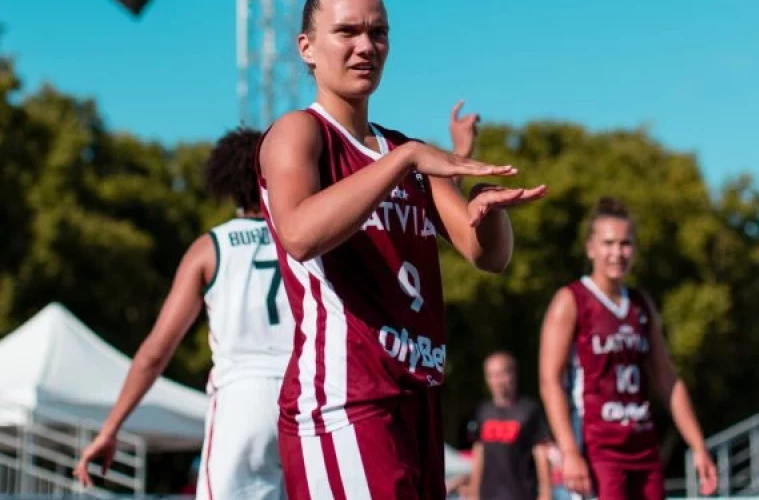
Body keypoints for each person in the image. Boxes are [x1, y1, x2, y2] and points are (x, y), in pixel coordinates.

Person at [255, 0, 546, 498]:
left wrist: (489, 211)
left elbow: (488, 256)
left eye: (378, 32)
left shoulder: (403, 151)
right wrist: (407, 157)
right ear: (307, 47)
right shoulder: (301, 132)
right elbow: (300, 234)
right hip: (345, 402)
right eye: (347, 32)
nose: (366, 46)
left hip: (417, 397)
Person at [73, 128, 294, 499]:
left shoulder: (211, 247)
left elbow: (155, 352)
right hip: (305, 397)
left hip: (241, 401)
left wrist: (110, 428)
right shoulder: (309, 237)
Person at [538, 197, 717, 500]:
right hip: (597, 447)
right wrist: (569, 450)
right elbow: (549, 381)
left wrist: (698, 446)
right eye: (608, 243)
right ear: (591, 247)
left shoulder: (641, 304)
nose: (617, 253)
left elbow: (668, 380)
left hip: (643, 444)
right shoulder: (572, 300)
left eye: (625, 244)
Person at [468, 351, 552, 500]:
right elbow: (478, 452)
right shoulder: (482, 411)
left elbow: (540, 453)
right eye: (492, 375)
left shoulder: (529, 410)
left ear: (513, 374)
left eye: (502, 374)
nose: (498, 381)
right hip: (489, 495)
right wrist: (473, 492)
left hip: (522, 494)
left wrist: (545, 494)